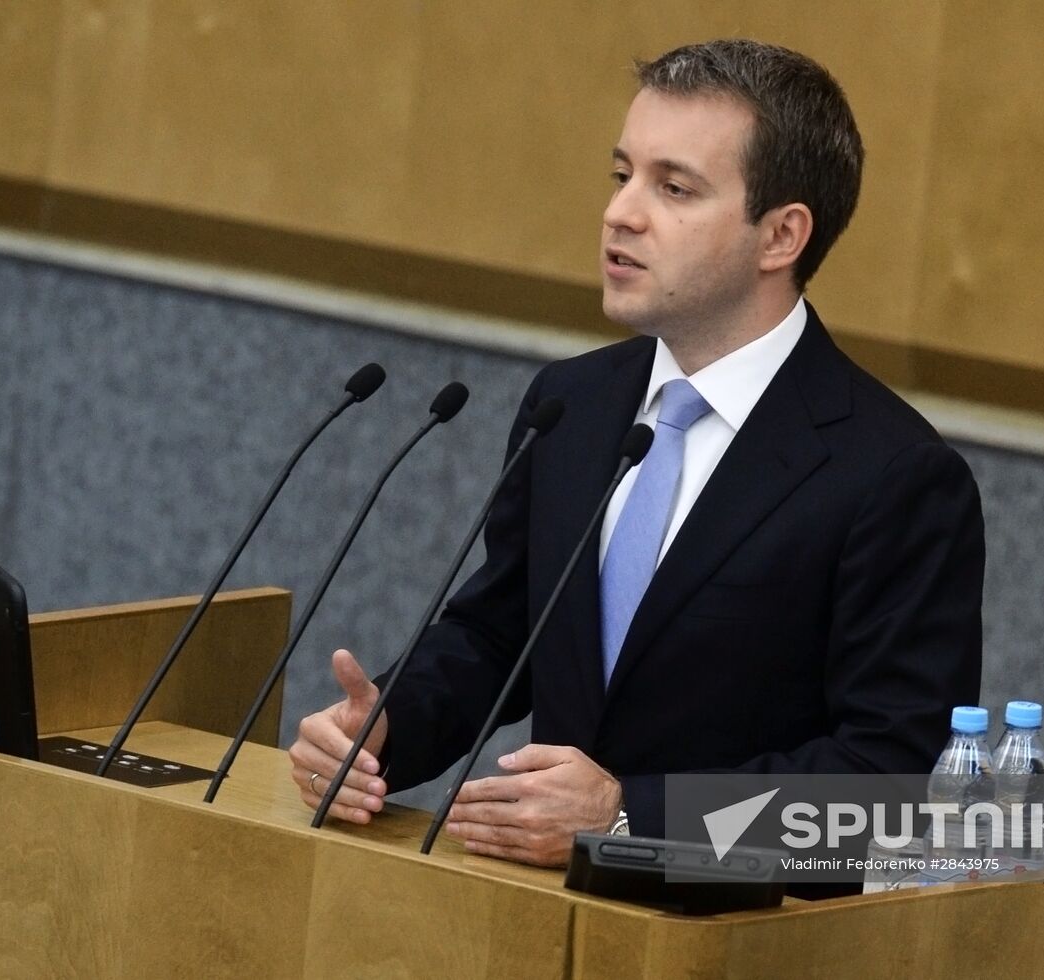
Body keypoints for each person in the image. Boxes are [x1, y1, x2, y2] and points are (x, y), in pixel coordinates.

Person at [289, 39, 985, 868]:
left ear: (781, 236)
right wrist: (384, 729)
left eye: (674, 187)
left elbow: (892, 782)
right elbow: (499, 631)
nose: (621, 212)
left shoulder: (893, 475)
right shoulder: (572, 405)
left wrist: (632, 817)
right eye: (622, 175)